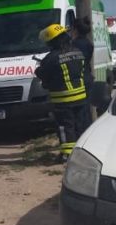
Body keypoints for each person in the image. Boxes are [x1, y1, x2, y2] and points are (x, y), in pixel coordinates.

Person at [35, 23, 89, 163]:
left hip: (63, 100)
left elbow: (43, 74)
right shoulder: (77, 52)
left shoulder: (51, 58)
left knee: (65, 127)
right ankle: (81, 152)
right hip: (81, 97)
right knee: (79, 125)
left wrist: (38, 70)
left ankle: (66, 155)